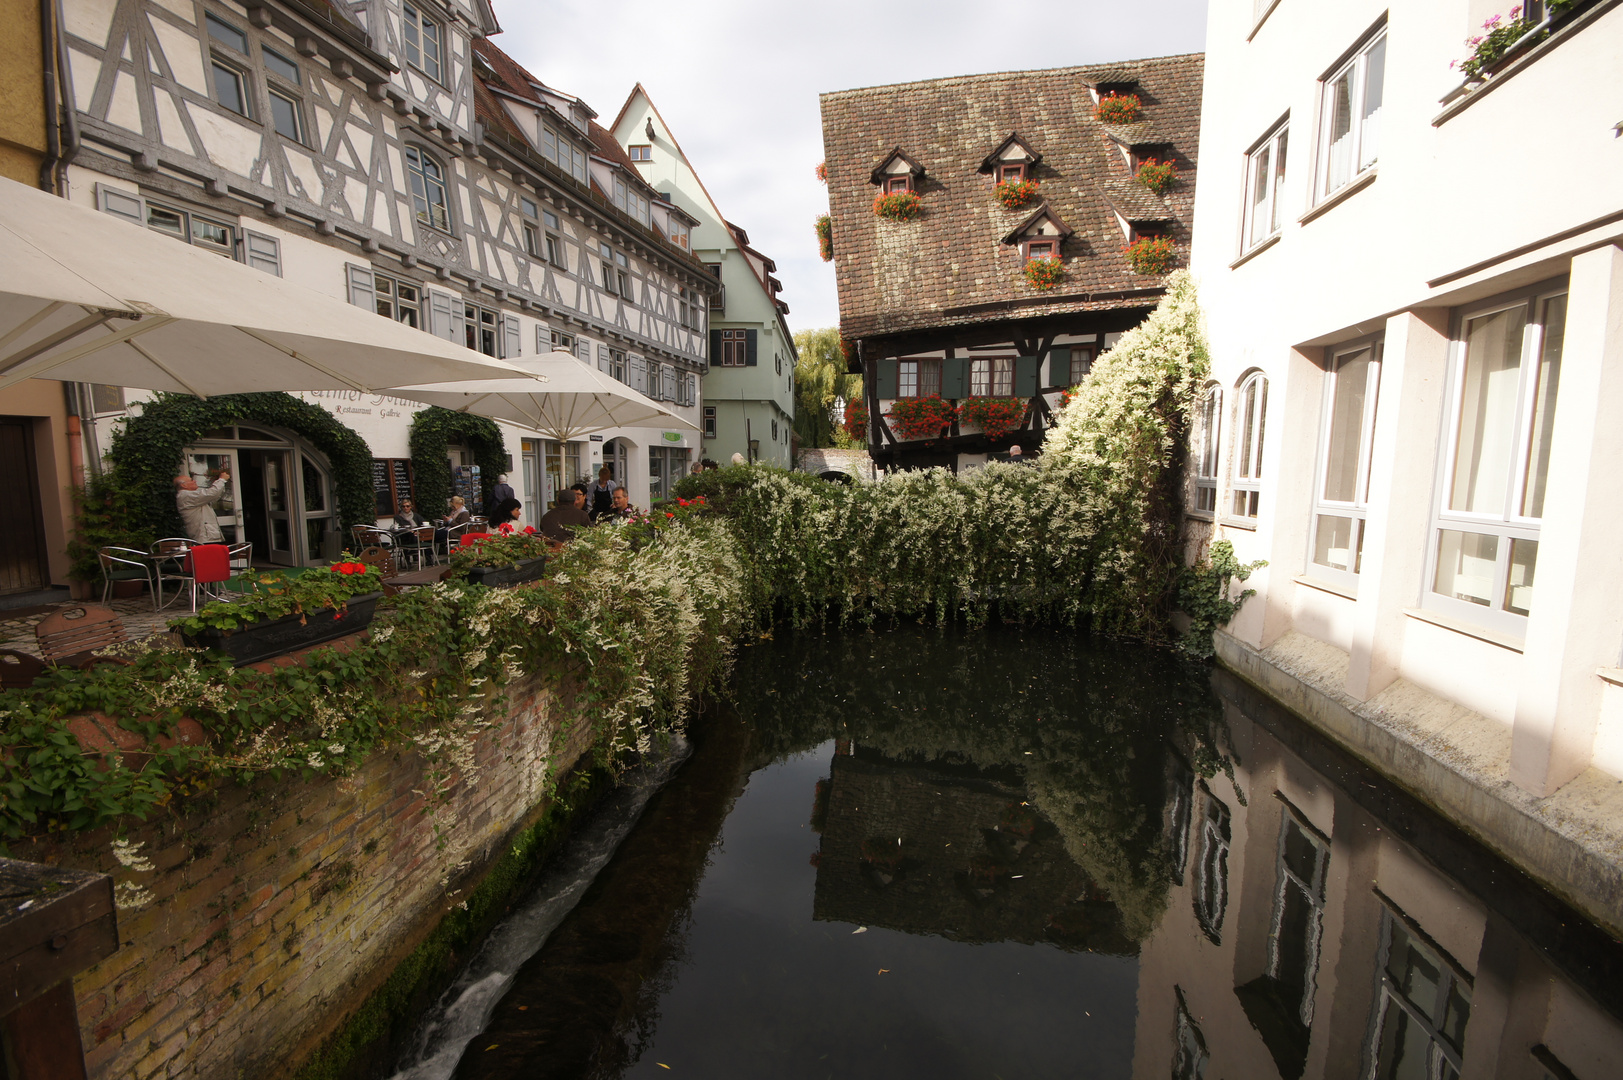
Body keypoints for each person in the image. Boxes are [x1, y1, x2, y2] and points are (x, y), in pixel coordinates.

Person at [175, 469, 231, 542]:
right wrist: (221, 480)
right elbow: (211, 493)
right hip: (204, 538)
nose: (194, 481)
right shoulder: (185, 495)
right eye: (191, 480)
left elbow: (214, 496)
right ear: (183, 485)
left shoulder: (191, 496)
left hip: (207, 536)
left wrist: (218, 482)